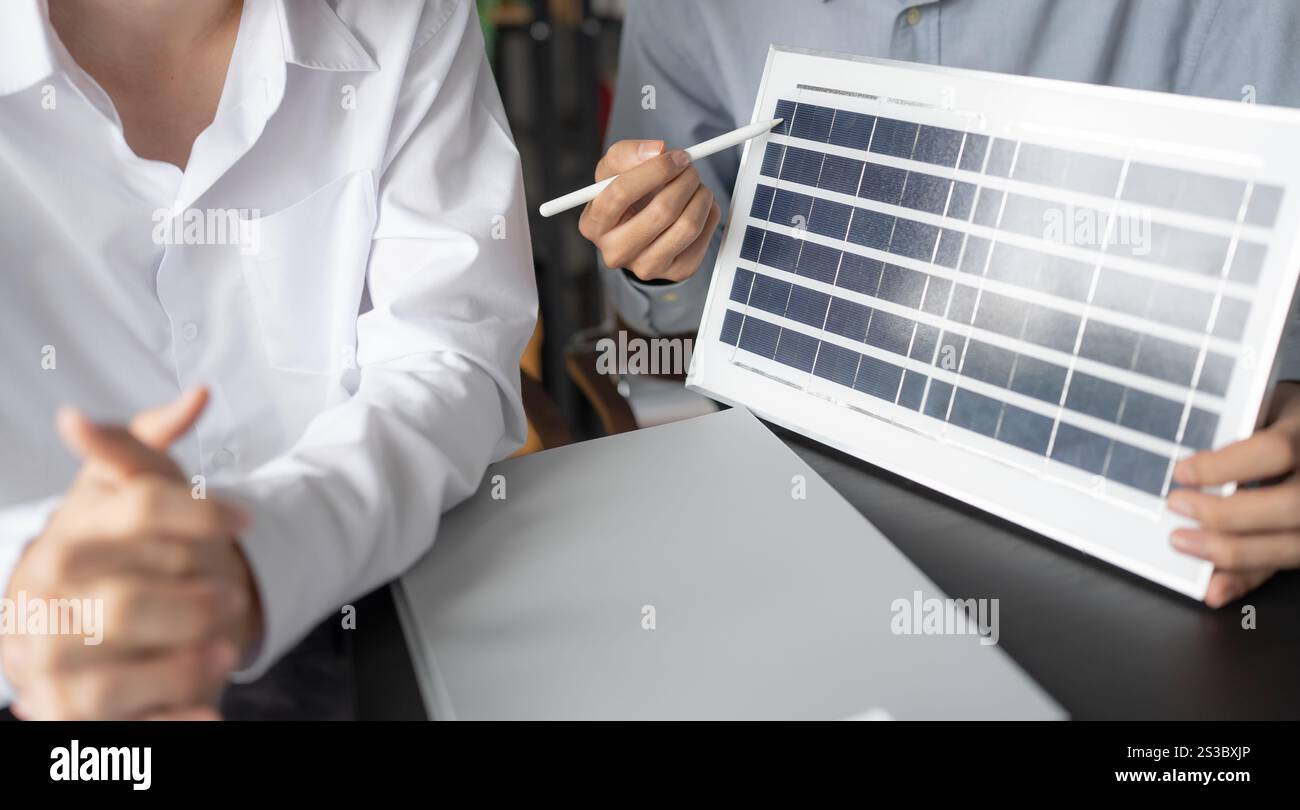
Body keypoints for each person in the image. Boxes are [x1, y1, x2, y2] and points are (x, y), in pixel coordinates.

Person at [578, 0, 1300, 607]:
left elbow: (1279, 315)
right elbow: (664, 314)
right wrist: (663, 257)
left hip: (1124, 541)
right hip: (795, 523)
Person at [0, 0, 536, 719]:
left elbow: (450, 352)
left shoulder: (408, 14)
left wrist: (257, 557)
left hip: (359, 599)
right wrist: (40, 592)